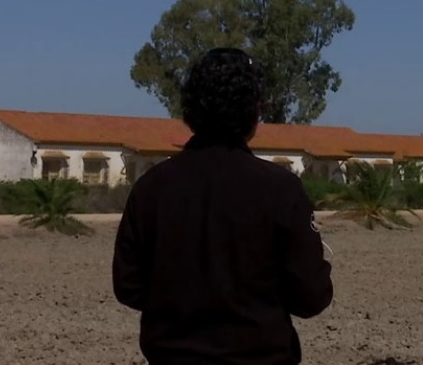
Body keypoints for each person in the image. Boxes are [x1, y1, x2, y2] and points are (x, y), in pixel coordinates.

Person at [112, 47, 334, 365]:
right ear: (255, 110)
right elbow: (311, 297)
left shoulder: (151, 189)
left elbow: (129, 287)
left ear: (191, 108)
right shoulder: (281, 189)